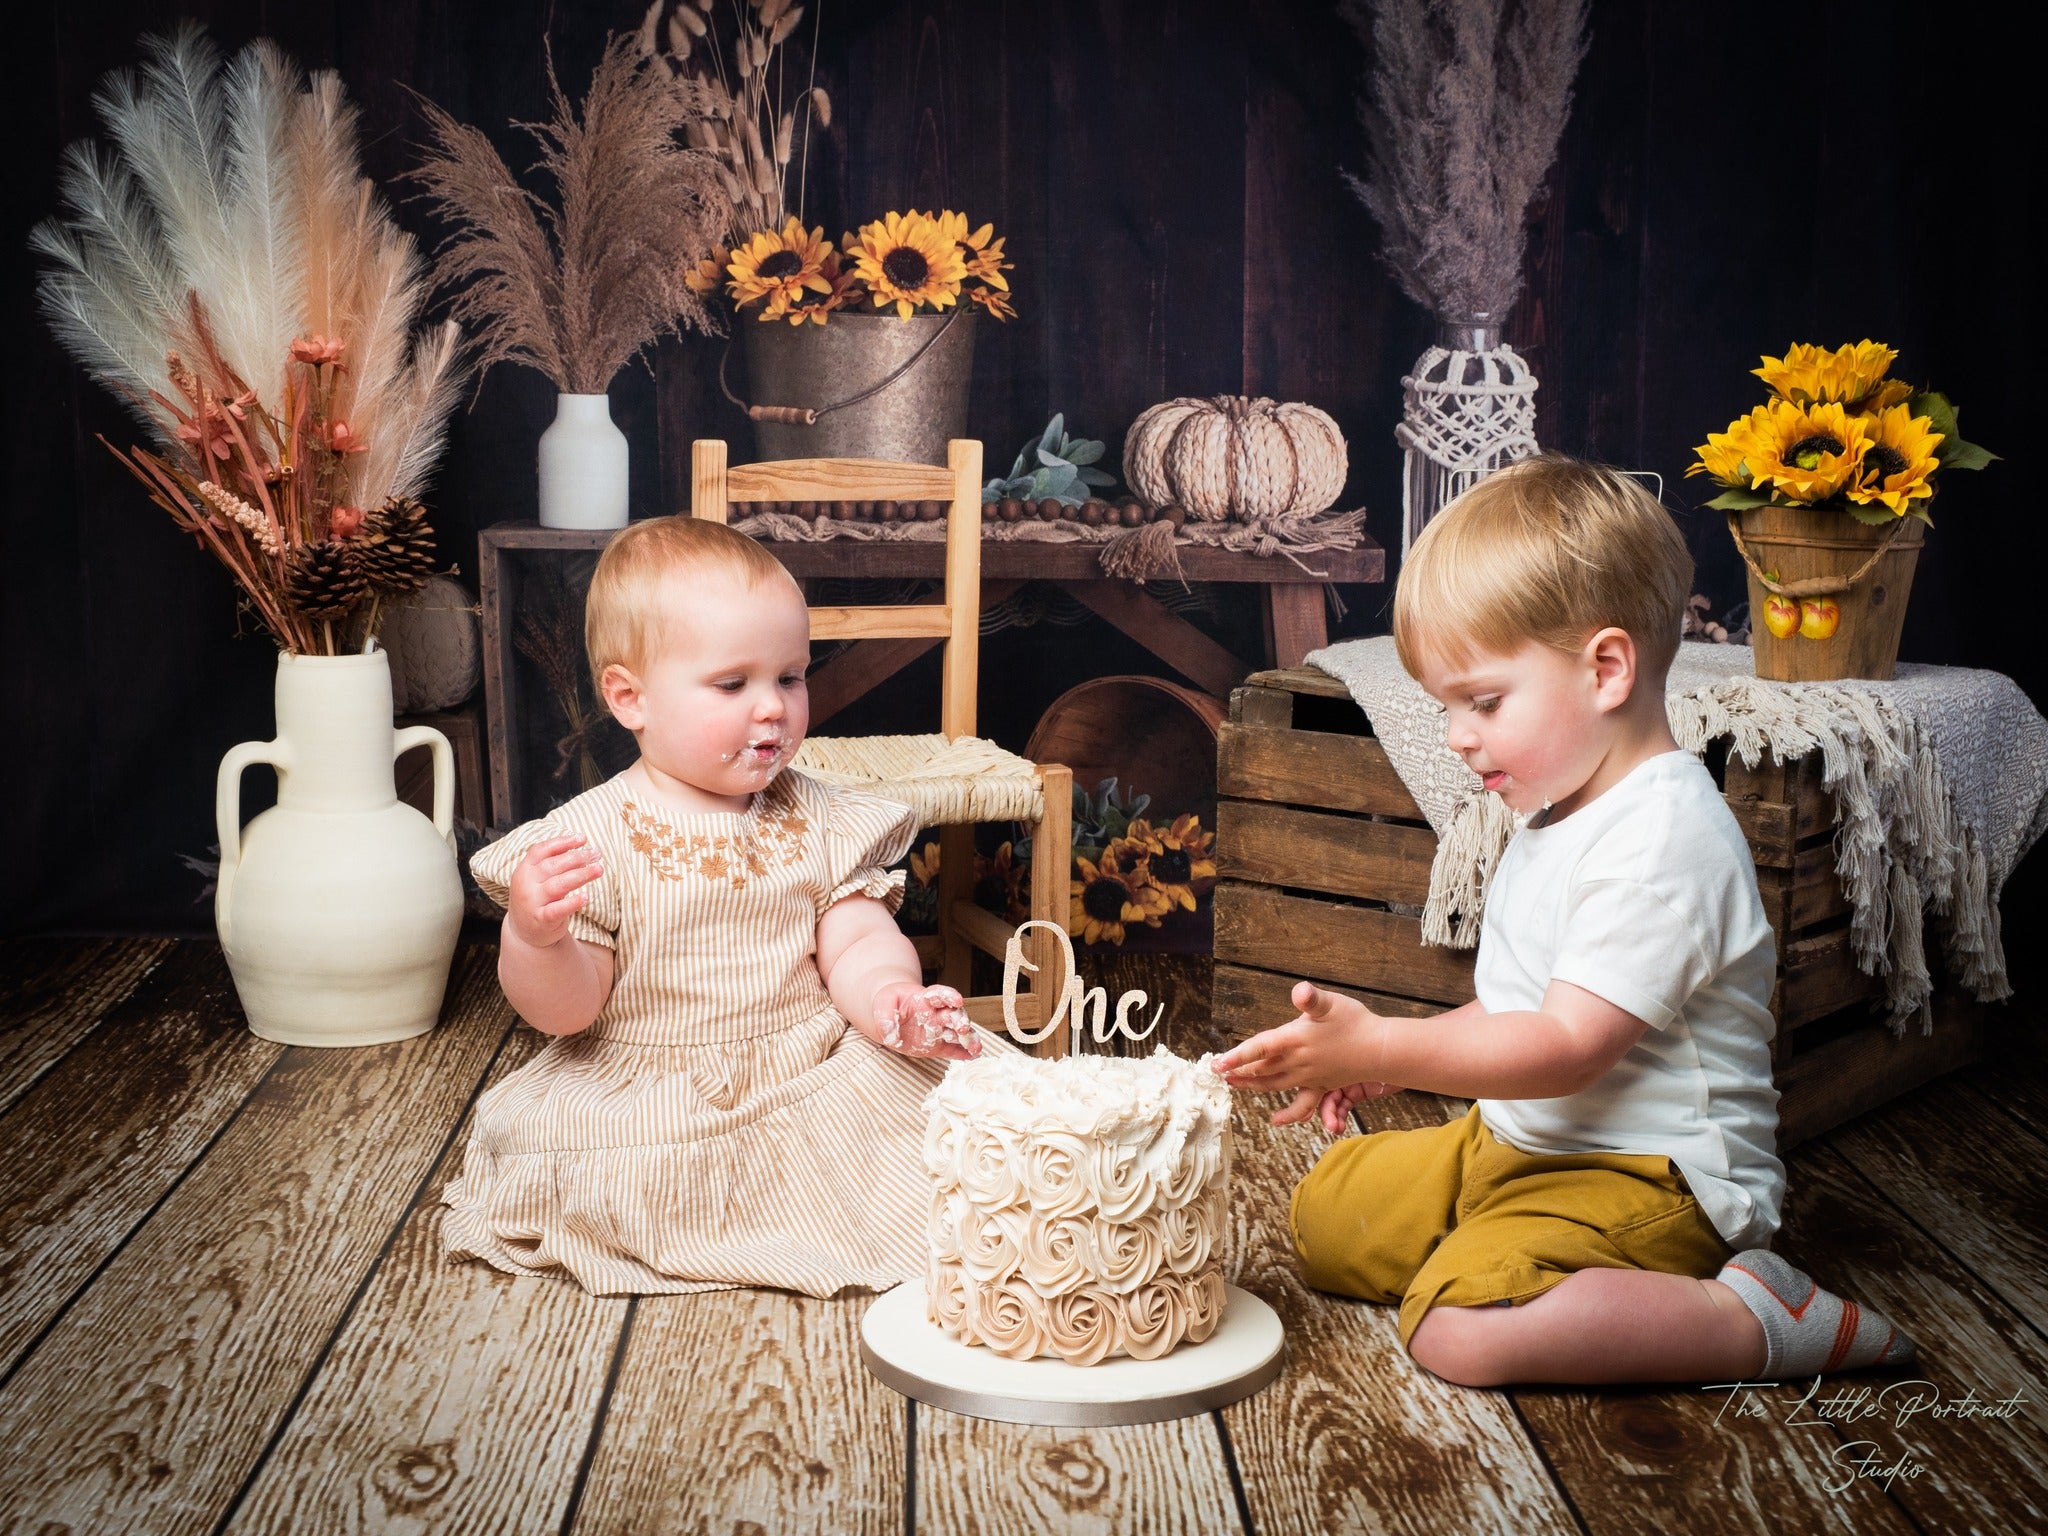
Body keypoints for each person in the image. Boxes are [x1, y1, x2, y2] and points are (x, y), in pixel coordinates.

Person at [1214, 456, 1914, 1386]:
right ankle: (1518, 1254)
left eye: (1485, 701)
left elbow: (1568, 1046)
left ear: (1607, 670)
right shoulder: (1557, 809)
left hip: (1653, 1179)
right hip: (1522, 1141)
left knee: (1459, 1334)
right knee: (1329, 1216)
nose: (1458, 735)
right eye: (1446, 707)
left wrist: (1383, 1049)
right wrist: (1386, 1051)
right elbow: (1518, 1007)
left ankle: (1749, 1316)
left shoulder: (1663, 840)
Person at [442, 516, 986, 1296]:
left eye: (791, 677)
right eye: (734, 685)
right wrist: (536, 938)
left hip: (809, 1062)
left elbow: (857, 936)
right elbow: (566, 1012)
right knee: (622, 1157)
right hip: (657, 1079)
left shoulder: (818, 815)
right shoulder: (593, 838)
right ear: (630, 699)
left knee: (931, 1130)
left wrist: (888, 997)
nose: (773, 708)